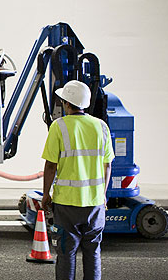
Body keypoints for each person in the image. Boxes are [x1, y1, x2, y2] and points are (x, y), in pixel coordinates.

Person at [40, 80, 114, 280]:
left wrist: (46, 194)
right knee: (93, 253)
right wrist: (103, 195)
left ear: (66, 103)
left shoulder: (59, 126)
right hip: (95, 203)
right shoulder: (101, 126)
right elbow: (108, 166)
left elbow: (50, 165)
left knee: (66, 254)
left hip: (67, 205)